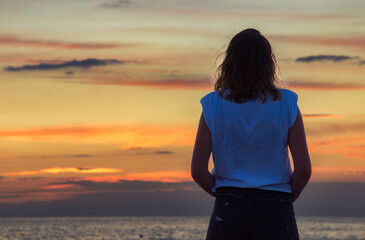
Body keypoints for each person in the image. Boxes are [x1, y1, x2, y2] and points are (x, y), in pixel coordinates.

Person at [190, 28, 311, 240]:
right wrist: (287, 197)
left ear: (229, 62)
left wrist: (225, 194)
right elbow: (304, 171)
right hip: (277, 204)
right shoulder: (287, 103)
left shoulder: (212, 105)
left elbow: (198, 171)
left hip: (228, 206)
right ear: (268, 64)